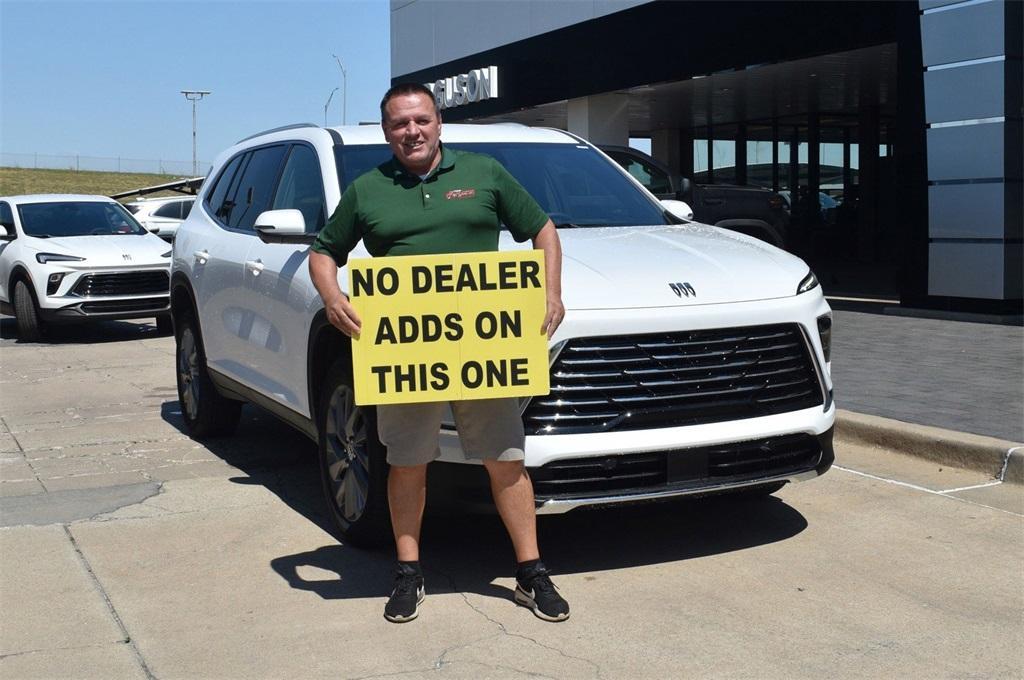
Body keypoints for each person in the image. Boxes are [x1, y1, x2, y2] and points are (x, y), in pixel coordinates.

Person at [308, 83, 569, 623]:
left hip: (485, 347)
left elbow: (542, 231)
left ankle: (531, 571)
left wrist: (551, 292)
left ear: (439, 121)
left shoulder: (484, 174)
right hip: (407, 356)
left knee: (507, 460)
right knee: (407, 464)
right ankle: (408, 572)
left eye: (421, 120)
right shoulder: (367, 190)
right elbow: (323, 253)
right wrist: (333, 298)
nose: (412, 131)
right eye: (400, 124)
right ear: (385, 131)